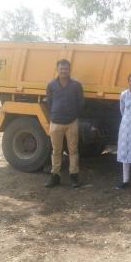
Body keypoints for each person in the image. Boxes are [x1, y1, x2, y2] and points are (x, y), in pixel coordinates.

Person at [45, 59, 84, 188]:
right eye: (61, 69)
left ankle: (74, 177)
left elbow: (80, 103)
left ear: (69, 70)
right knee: (56, 151)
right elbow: (49, 102)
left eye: (66, 69)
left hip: (72, 122)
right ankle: (55, 176)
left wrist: (73, 115)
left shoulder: (76, 85)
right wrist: (55, 114)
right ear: (57, 69)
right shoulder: (51, 85)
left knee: (73, 151)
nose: (64, 71)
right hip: (56, 122)